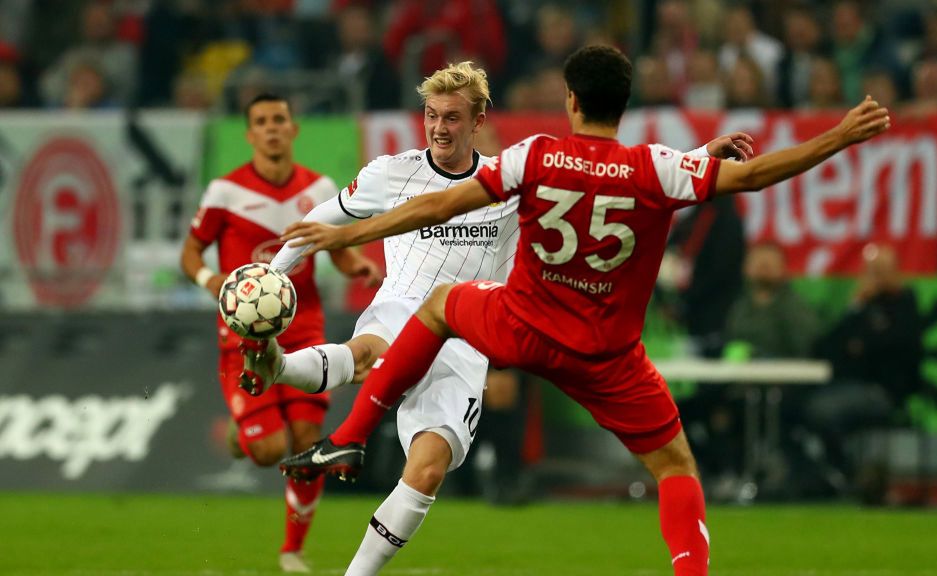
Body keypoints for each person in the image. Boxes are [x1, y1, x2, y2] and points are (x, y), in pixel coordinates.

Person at [274, 45, 890, 575]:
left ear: (570, 100)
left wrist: (344, 238)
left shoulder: (534, 156)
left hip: (521, 328)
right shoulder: (651, 167)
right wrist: (838, 135)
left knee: (440, 306)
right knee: (676, 468)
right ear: (624, 104)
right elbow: (751, 177)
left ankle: (350, 435)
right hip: (605, 355)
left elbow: (436, 207)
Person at [179, 93, 382, 573]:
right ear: (249, 135)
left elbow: (336, 249)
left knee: (309, 439)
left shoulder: (321, 190)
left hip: (304, 328)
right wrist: (217, 285)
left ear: (293, 131)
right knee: (269, 452)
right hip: (242, 340)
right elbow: (190, 254)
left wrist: (358, 268)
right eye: (261, 122)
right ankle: (242, 434)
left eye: (279, 120)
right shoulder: (224, 192)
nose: (271, 128)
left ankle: (292, 549)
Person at [806, 244, 924, 481]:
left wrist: (861, 345)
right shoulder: (864, 305)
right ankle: (835, 471)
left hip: (885, 392)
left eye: (883, 270)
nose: (877, 277)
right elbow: (825, 347)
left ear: (897, 272)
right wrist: (855, 306)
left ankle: (844, 472)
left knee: (820, 409)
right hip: (848, 386)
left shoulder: (905, 305)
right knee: (802, 404)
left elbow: (896, 347)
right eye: (872, 270)